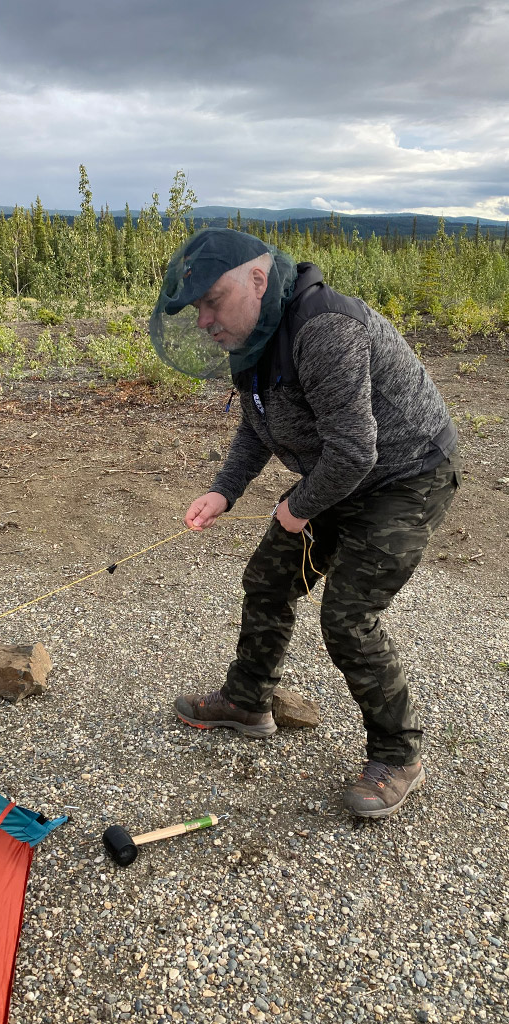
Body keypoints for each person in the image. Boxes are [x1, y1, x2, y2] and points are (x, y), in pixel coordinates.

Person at [149, 228, 461, 819]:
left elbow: (356, 450)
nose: (204, 322)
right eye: (197, 309)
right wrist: (224, 491)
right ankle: (246, 702)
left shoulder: (324, 330)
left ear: (258, 280)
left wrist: (296, 509)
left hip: (405, 475)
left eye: (212, 301)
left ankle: (398, 754)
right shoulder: (254, 337)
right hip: (342, 470)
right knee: (268, 577)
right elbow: (258, 423)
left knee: (348, 618)